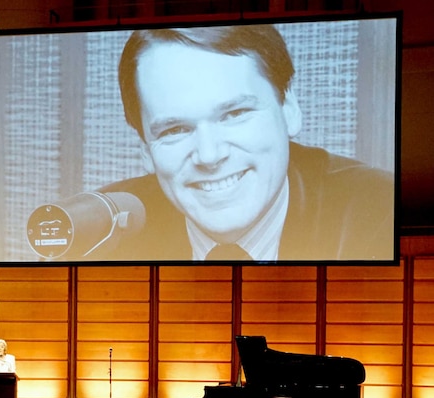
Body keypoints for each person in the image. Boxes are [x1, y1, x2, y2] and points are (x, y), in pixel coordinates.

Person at [92, 24, 393, 262]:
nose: (209, 156)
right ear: (145, 150)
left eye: (234, 114)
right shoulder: (102, 231)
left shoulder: (380, 211)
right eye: (174, 130)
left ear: (289, 110)